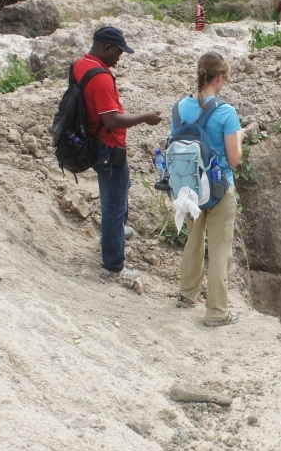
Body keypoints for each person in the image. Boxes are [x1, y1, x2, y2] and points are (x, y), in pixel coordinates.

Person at [76, 26, 162, 284]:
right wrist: (145, 118)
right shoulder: (101, 77)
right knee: (113, 205)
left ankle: (117, 232)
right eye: (118, 52)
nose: (119, 57)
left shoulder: (81, 65)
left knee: (122, 186)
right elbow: (112, 120)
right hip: (108, 145)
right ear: (106, 48)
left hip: (94, 141)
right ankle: (113, 266)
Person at [174, 52, 244, 326]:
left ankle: (185, 295)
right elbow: (234, 159)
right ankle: (216, 313)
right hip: (218, 188)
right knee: (218, 251)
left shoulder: (179, 108)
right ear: (219, 78)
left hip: (189, 189)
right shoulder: (225, 112)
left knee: (193, 243)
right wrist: (238, 136)